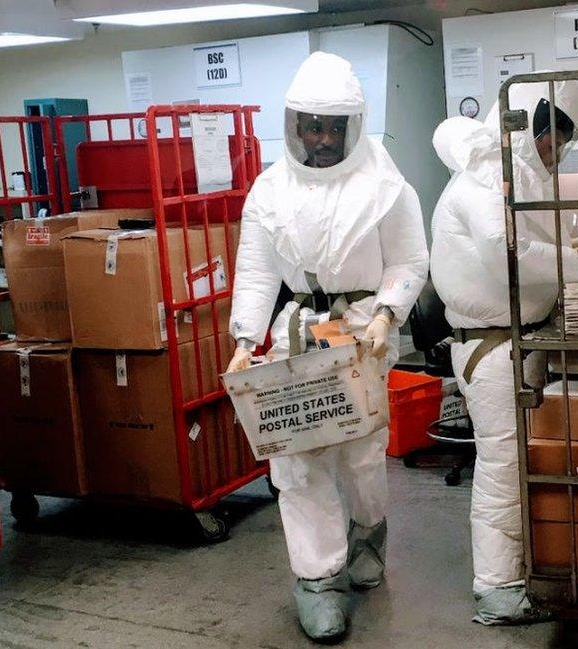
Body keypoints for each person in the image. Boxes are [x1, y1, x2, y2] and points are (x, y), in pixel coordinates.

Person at [225, 52, 429, 641]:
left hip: (362, 330)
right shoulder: (268, 191)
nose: (320, 139)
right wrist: (246, 337)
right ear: (293, 125)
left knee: (362, 456)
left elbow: (411, 260)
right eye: (310, 125)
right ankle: (318, 579)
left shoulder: (387, 188)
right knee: (298, 457)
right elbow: (257, 272)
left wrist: (388, 313)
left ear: (351, 127)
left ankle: (369, 536)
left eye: (332, 127)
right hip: (297, 332)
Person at [430, 79, 578, 625]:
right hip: (492, 352)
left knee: (516, 467)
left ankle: (521, 572)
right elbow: (505, 254)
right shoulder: (484, 181)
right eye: (549, 137)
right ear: (523, 123)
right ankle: (496, 591)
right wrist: (576, 258)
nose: (553, 150)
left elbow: (534, 247)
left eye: (562, 140)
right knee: (502, 470)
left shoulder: (518, 181)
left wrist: (573, 253)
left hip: (518, 343)